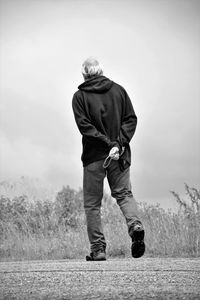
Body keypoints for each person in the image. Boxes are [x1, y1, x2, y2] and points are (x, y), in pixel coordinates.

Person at [72, 57, 145, 261]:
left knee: (93, 204)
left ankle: (98, 250)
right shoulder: (119, 91)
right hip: (119, 156)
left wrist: (110, 144)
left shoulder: (79, 97)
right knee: (124, 195)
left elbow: (85, 127)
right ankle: (135, 225)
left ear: (84, 74)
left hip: (94, 157)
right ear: (101, 71)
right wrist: (119, 144)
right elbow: (131, 119)